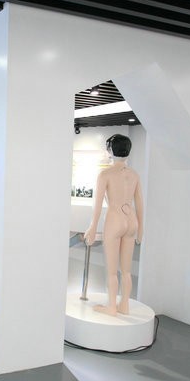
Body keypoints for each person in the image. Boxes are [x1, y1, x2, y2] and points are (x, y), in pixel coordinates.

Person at [83, 134, 144, 316]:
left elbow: (97, 204)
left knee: (111, 270)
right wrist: (141, 228)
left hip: (115, 219)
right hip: (131, 220)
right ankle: (124, 305)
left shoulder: (105, 174)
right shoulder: (134, 175)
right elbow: (139, 203)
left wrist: (93, 227)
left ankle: (111, 306)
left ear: (110, 150)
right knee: (126, 270)